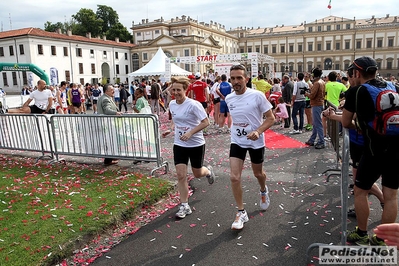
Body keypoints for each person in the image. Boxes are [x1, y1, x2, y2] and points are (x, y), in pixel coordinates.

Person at [342, 56, 399, 246]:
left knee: (360, 191)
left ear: (357, 73)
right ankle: (382, 239)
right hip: (396, 148)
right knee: (391, 196)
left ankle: (361, 233)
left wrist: (359, 125)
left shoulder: (356, 92)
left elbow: (345, 122)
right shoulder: (392, 85)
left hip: (374, 150)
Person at [225, 64, 275, 230]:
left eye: (239, 78)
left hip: (255, 141)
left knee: (258, 173)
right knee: (234, 176)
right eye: (233, 78)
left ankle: (263, 189)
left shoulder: (257, 96)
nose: (236, 81)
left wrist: (258, 131)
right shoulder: (229, 98)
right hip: (237, 141)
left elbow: (271, 118)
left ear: (246, 78)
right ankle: (241, 212)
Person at [168, 77, 215, 219]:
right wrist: (170, 129)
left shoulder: (194, 105)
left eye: (178, 90)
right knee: (181, 175)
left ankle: (208, 171)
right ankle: (184, 205)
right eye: (173, 89)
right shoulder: (172, 104)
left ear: (185, 90)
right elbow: (175, 120)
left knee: (197, 173)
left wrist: (190, 133)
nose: (175, 92)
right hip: (179, 144)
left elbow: (206, 122)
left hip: (195, 144)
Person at [97, 84, 122, 165]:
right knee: (109, 141)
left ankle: (111, 157)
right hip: (107, 123)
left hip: (107, 123)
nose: (113, 91)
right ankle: (108, 160)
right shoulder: (105, 99)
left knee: (109, 140)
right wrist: (116, 113)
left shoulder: (105, 97)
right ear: (106, 91)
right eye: (111, 90)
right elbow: (107, 110)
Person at [305, 67, 326, 149]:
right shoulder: (322, 82)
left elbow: (312, 96)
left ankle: (321, 141)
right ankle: (312, 139)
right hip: (320, 103)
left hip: (316, 104)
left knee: (318, 123)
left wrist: (306, 93)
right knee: (315, 123)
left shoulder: (317, 83)